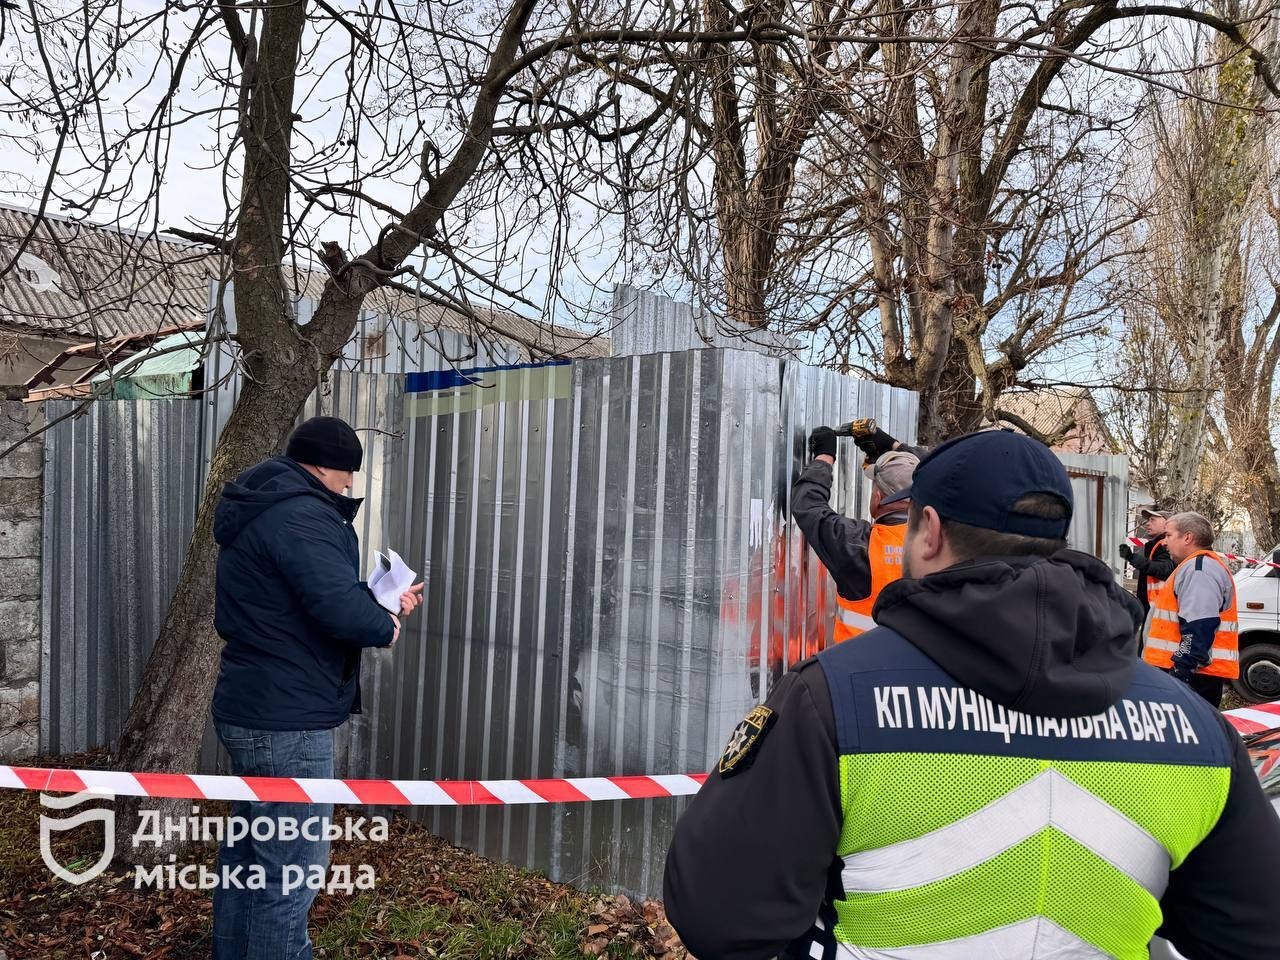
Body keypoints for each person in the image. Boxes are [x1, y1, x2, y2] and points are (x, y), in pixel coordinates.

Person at [664, 430, 1280, 960]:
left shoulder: (827, 701)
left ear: (929, 530)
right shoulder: (1196, 729)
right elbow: (1255, 931)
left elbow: (719, 915)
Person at [210, 416, 424, 960]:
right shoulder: (301, 515)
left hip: (255, 703)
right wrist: (383, 624)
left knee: (249, 860)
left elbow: (304, 597)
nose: (350, 484)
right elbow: (335, 607)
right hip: (289, 719)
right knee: (292, 869)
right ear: (327, 467)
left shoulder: (266, 505)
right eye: (348, 473)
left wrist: (377, 600)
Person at [792, 425, 921, 640]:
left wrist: (824, 456)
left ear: (877, 498)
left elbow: (809, 505)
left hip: (857, 660)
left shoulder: (858, 544)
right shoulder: (941, 544)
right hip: (916, 660)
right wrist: (894, 446)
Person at [1143, 511, 1239, 708]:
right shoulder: (1194, 567)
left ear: (1187, 537)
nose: (1164, 542)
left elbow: (1199, 628)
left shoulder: (1199, 569)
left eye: (1168, 535)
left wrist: (1180, 672)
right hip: (1190, 676)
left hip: (1192, 678)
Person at [1119, 507, 1176, 615]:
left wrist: (1132, 558)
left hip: (1159, 608)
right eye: (1148, 520)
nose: (1147, 524)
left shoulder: (1166, 545)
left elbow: (1165, 569)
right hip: (1153, 606)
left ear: (1167, 523)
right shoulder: (1156, 544)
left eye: (1152, 520)